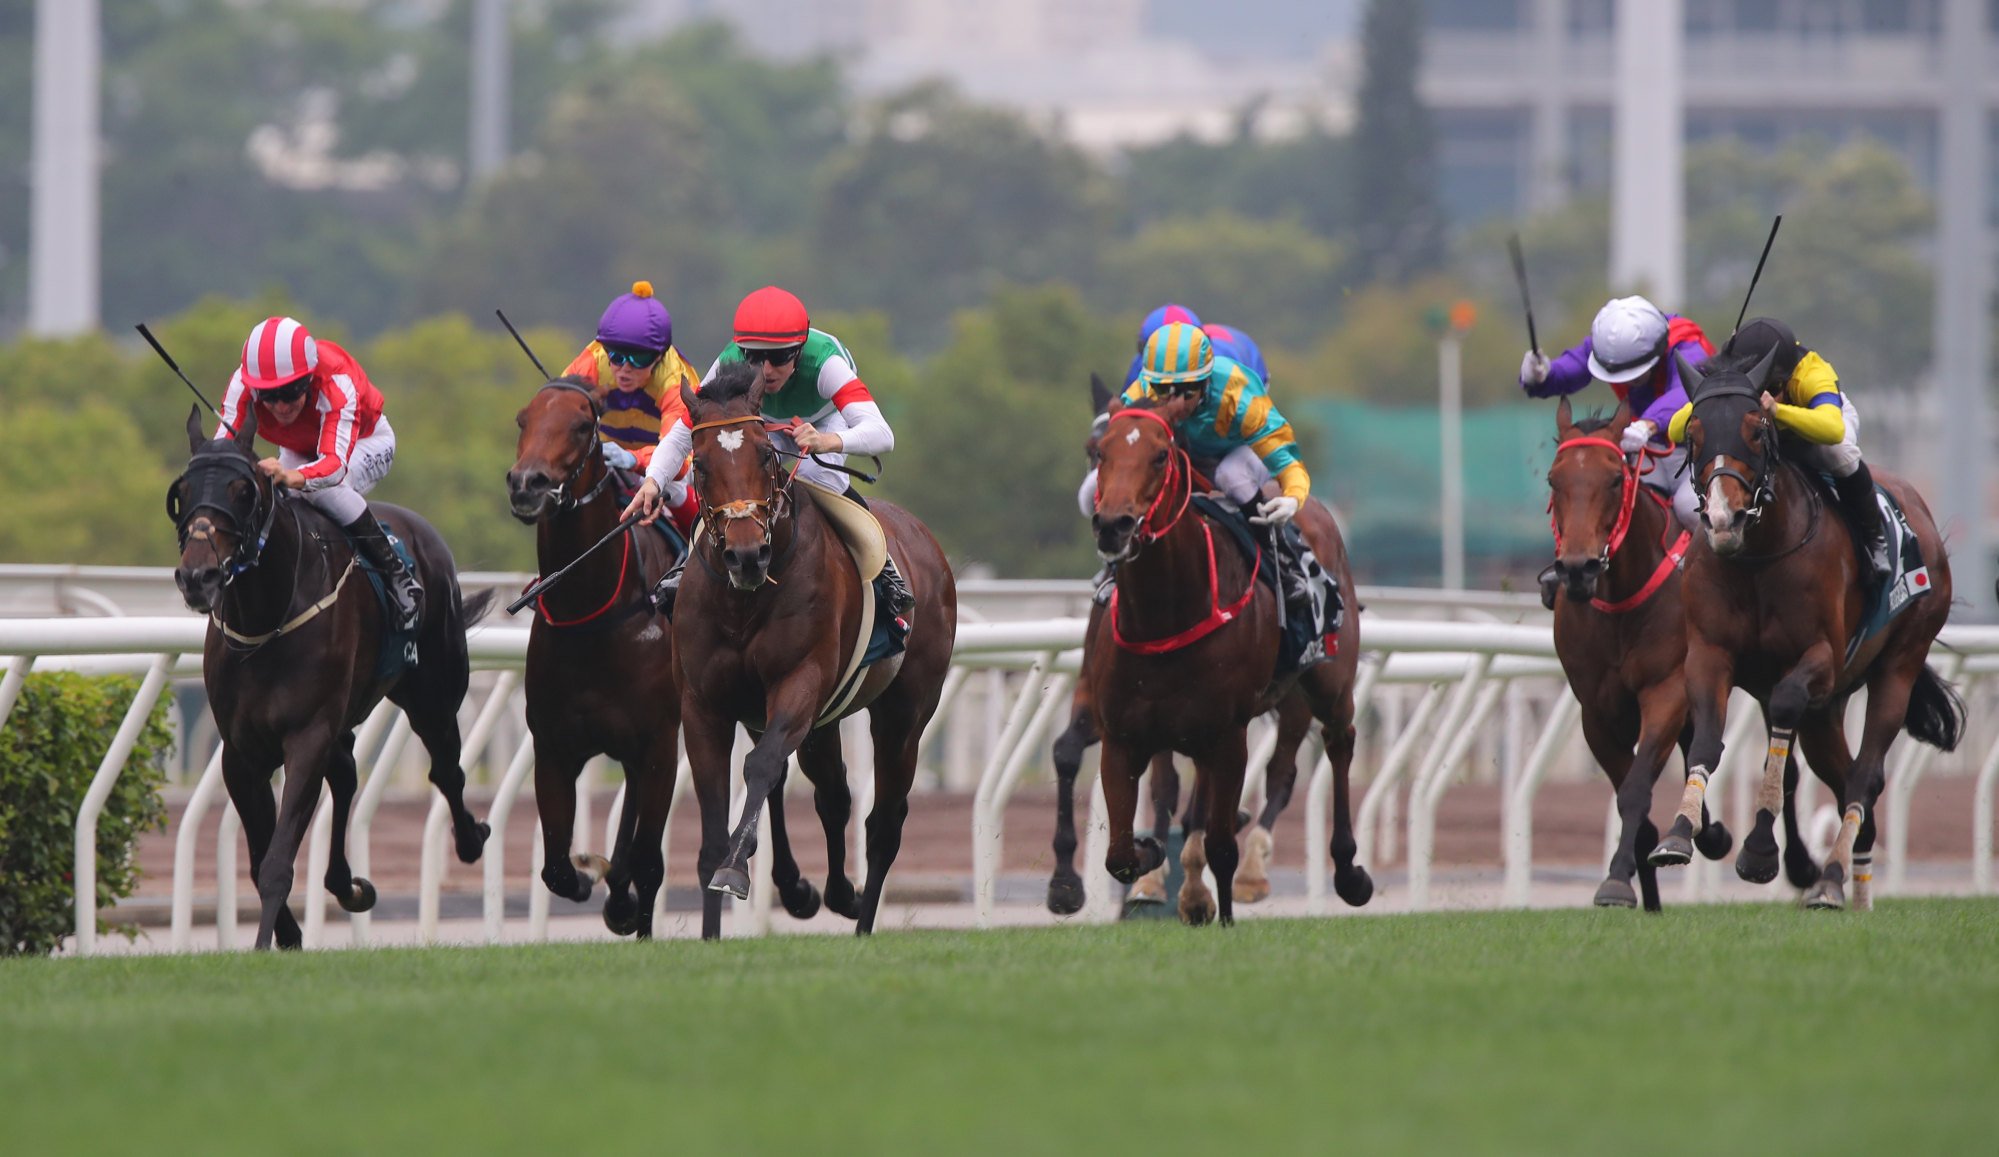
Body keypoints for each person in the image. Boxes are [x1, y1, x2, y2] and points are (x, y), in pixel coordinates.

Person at [622, 286, 914, 616]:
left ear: (799, 349)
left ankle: (884, 573)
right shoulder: (730, 360)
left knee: (817, 476)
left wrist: (826, 441)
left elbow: (881, 434)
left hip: (824, 422)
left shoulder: (826, 364)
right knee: (733, 477)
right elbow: (679, 437)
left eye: (779, 358)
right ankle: (687, 566)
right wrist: (653, 481)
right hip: (763, 422)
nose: (766, 370)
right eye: (755, 357)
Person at [1117, 321, 1333, 651]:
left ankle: (1285, 567)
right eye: (1164, 390)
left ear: (1205, 380)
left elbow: (1285, 457)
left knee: (1231, 476)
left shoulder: (1236, 390)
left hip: (1238, 452)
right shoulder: (1139, 393)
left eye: (1188, 390)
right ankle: (1113, 567)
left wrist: (1292, 497)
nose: (1176, 401)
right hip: (1184, 450)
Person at [215, 315, 420, 631]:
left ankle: (398, 577)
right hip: (301, 447)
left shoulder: (336, 382)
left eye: (291, 391)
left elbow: (334, 467)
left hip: (365, 442)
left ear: (309, 380)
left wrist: (288, 476)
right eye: (270, 396)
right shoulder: (242, 384)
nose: (281, 406)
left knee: (319, 490)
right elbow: (221, 453)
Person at [1666, 316, 1893, 587]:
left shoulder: (1811, 372)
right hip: (1760, 433)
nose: (1766, 393)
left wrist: (1777, 409)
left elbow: (1833, 430)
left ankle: (1873, 538)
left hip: (1811, 429)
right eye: (1759, 388)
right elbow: (1675, 430)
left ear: (1788, 375)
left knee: (1840, 455)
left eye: (1773, 388)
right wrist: (1706, 400)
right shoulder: (1731, 374)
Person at [1520, 294, 1714, 607]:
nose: (1629, 383)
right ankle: (1578, 567)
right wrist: (1542, 376)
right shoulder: (1611, 346)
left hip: (1691, 447)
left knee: (1688, 505)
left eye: (1634, 373)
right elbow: (1570, 370)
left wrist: (1650, 424)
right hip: (1641, 444)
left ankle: (1723, 585)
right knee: (1602, 498)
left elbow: (1686, 391)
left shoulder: (1687, 346)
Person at [559, 280, 702, 530]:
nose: (624, 368)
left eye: (639, 358)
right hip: (604, 457)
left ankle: (709, 550)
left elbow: (680, 461)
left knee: (673, 485)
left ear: (658, 356)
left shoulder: (675, 380)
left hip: (664, 467)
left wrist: (633, 459)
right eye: (615, 355)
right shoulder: (592, 362)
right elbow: (559, 417)